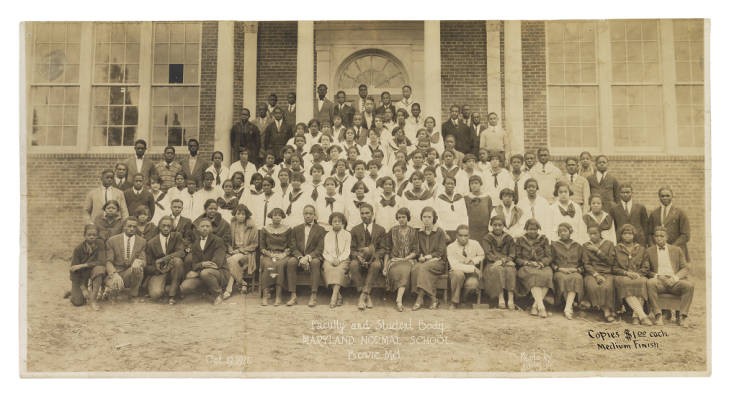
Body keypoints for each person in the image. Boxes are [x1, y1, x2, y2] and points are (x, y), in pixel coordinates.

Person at [644, 226, 694, 327]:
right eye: (657, 236)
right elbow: (646, 270)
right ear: (654, 237)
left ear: (666, 237)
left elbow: (685, 268)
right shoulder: (649, 251)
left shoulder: (676, 250)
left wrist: (675, 278)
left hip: (674, 281)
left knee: (689, 286)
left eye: (662, 236)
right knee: (650, 283)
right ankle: (658, 316)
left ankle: (682, 317)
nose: (659, 238)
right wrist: (658, 276)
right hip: (659, 282)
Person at [178, 218, 228, 305]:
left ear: (211, 228)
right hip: (203, 272)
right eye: (202, 226)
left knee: (205, 273)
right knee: (184, 287)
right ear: (198, 229)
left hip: (220, 272)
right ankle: (205, 290)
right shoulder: (196, 244)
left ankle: (218, 294)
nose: (205, 228)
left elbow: (216, 263)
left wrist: (198, 271)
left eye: (207, 226)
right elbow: (194, 264)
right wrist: (201, 264)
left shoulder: (218, 241)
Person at [349, 203, 387, 310]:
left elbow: (383, 249)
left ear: (372, 214)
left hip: (374, 258)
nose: (365, 215)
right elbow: (351, 249)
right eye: (362, 213)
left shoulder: (380, 230)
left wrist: (374, 256)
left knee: (376, 265)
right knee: (353, 265)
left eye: (367, 213)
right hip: (359, 259)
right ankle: (367, 295)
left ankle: (362, 296)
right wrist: (358, 256)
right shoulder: (355, 230)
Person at [613, 224, 653, 325]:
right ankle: (642, 316)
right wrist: (626, 273)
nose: (627, 236)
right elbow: (614, 267)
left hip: (638, 275)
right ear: (621, 235)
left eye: (630, 233)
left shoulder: (642, 249)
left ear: (634, 235)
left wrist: (637, 274)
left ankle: (636, 316)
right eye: (625, 233)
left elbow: (646, 266)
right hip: (623, 276)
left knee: (642, 281)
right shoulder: (616, 249)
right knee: (625, 283)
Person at [514, 218, 553, 318]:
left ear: (538, 229)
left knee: (547, 274)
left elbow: (549, 256)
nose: (533, 231)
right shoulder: (520, 240)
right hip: (526, 267)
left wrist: (541, 263)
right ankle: (541, 307)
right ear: (526, 229)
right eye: (530, 229)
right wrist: (526, 262)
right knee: (534, 276)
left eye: (535, 229)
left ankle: (535, 306)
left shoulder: (544, 239)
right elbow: (517, 257)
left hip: (541, 266)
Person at [289, 205, 327, 307]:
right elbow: (292, 246)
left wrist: (308, 257)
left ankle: (313, 295)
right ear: (303, 215)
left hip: (313, 256)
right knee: (291, 262)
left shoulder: (320, 229)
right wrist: (300, 257)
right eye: (306, 213)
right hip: (299, 257)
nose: (308, 216)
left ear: (314, 216)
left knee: (316, 262)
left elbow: (320, 248)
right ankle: (293, 295)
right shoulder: (296, 229)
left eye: (310, 214)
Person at [143, 216, 186, 304]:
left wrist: (163, 259)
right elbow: (148, 265)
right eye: (164, 226)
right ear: (159, 226)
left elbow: (181, 252)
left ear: (172, 227)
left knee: (177, 260)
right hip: (159, 272)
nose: (166, 228)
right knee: (156, 294)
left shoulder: (177, 236)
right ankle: (173, 288)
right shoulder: (151, 243)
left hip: (175, 270)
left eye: (169, 226)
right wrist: (158, 270)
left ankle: (172, 296)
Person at [411, 207, 448, 310]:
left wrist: (429, 257)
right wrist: (421, 256)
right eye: (424, 217)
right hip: (424, 262)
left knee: (422, 268)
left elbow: (441, 251)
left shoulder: (439, 232)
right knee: (415, 269)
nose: (426, 219)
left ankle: (419, 299)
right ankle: (433, 299)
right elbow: (417, 249)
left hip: (438, 262)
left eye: (429, 217)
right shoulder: (418, 232)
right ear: (421, 218)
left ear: (434, 218)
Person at [104, 216, 146, 300]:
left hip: (129, 272)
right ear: (124, 226)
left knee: (139, 268)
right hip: (116, 272)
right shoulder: (112, 241)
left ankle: (133, 294)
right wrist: (114, 274)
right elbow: (108, 261)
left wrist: (138, 262)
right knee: (115, 291)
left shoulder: (142, 241)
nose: (131, 229)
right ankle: (109, 289)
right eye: (129, 226)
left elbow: (143, 260)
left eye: (134, 227)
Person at [582, 225, 617, 322]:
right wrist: (596, 275)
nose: (592, 236)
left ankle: (607, 309)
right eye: (590, 234)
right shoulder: (586, 245)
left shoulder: (609, 244)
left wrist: (597, 251)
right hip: (592, 273)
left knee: (607, 287)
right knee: (593, 286)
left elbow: (611, 261)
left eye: (595, 234)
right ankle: (606, 311)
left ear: (600, 233)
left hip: (607, 272)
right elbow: (586, 264)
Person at [481, 216, 517, 309]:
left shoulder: (509, 238)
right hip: (492, 264)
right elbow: (488, 254)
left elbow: (512, 254)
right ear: (491, 225)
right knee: (498, 270)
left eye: (500, 225)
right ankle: (500, 298)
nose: (497, 227)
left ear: (503, 226)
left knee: (511, 270)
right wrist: (499, 261)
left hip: (506, 263)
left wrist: (503, 261)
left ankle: (510, 298)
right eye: (495, 225)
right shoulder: (487, 238)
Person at [550, 223, 584, 320]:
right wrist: (559, 269)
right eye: (560, 232)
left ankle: (567, 308)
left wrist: (577, 269)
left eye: (565, 231)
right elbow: (550, 262)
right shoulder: (554, 245)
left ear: (570, 232)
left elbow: (583, 263)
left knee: (576, 278)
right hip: (560, 270)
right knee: (561, 278)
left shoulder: (577, 246)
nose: (563, 233)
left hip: (574, 270)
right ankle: (568, 305)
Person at [224, 204, 258, 299]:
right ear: (235, 214)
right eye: (238, 214)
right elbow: (228, 240)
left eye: (243, 214)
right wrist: (230, 248)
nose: (241, 216)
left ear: (246, 215)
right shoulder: (232, 225)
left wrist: (240, 250)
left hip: (247, 253)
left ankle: (229, 289)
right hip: (234, 252)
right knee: (230, 260)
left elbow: (254, 245)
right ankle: (242, 282)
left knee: (230, 260)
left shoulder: (252, 227)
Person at [647, 186, 691, 260]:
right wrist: (654, 247)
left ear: (672, 196)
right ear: (659, 197)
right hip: (659, 251)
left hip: (676, 250)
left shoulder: (680, 213)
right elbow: (649, 233)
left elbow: (685, 235)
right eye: (662, 196)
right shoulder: (654, 213)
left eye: (667, 195)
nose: (665, 198)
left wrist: (671, 247)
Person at [69, 224, 107, 310]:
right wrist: (83, 288)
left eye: (94, 235)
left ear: (97, 236)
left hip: (94, 271)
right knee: (78, 302)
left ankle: (93, 300)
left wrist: (83, 265)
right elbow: (74, 270)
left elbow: (102, 261)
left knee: (100, 269)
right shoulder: (78, 249)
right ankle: (72, 292)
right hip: (81, 276)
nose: (92, 237)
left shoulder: (100, 244)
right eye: (89, 235)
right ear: (84, 235)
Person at [447, 224, 485, 309]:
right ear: (456, 235)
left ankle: (463, 298)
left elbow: (481, 255)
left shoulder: (475, 244)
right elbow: (454, 265)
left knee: (473, 283)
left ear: (469, 235)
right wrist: (473, 268)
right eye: (460, 235)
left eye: (466, 235)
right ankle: (454, 301)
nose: (463, 238)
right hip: (457, 271)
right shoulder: (451, 247)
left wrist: (473, 261)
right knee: (458, 275)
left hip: (470, 274)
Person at [322, 212, 351, 309]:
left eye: (339, 221)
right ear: (331, 223)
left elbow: (347, 250)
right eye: (335, 221)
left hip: (343, 259)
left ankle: (334, 296)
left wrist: (339, 259)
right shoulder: (327, 235)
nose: (337, 223)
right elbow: (325, 252)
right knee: (328, 269)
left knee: (339, 270)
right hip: (330, 259)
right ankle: (339, 296)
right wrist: (331, 259)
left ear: (343, 223)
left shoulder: (347, 234)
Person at [433, 176, 468, 241]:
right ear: (444, 184)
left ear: (455, 185)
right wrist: (443, 233)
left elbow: (464, 215)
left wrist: (462, 232)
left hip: (458, 231)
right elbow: (436, 217)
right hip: (444, 230)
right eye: (448, 183)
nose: (450, 185)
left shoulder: (460, 198)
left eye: (452, 183)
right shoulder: (439, 199)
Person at [464, 175, 493, 242]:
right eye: (472, 183)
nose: (474, 185)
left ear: (480, 184)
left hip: (484, 228)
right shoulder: (466, 198)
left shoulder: (487, 197)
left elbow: (490, 212)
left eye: (476, 183)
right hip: (471, 228)